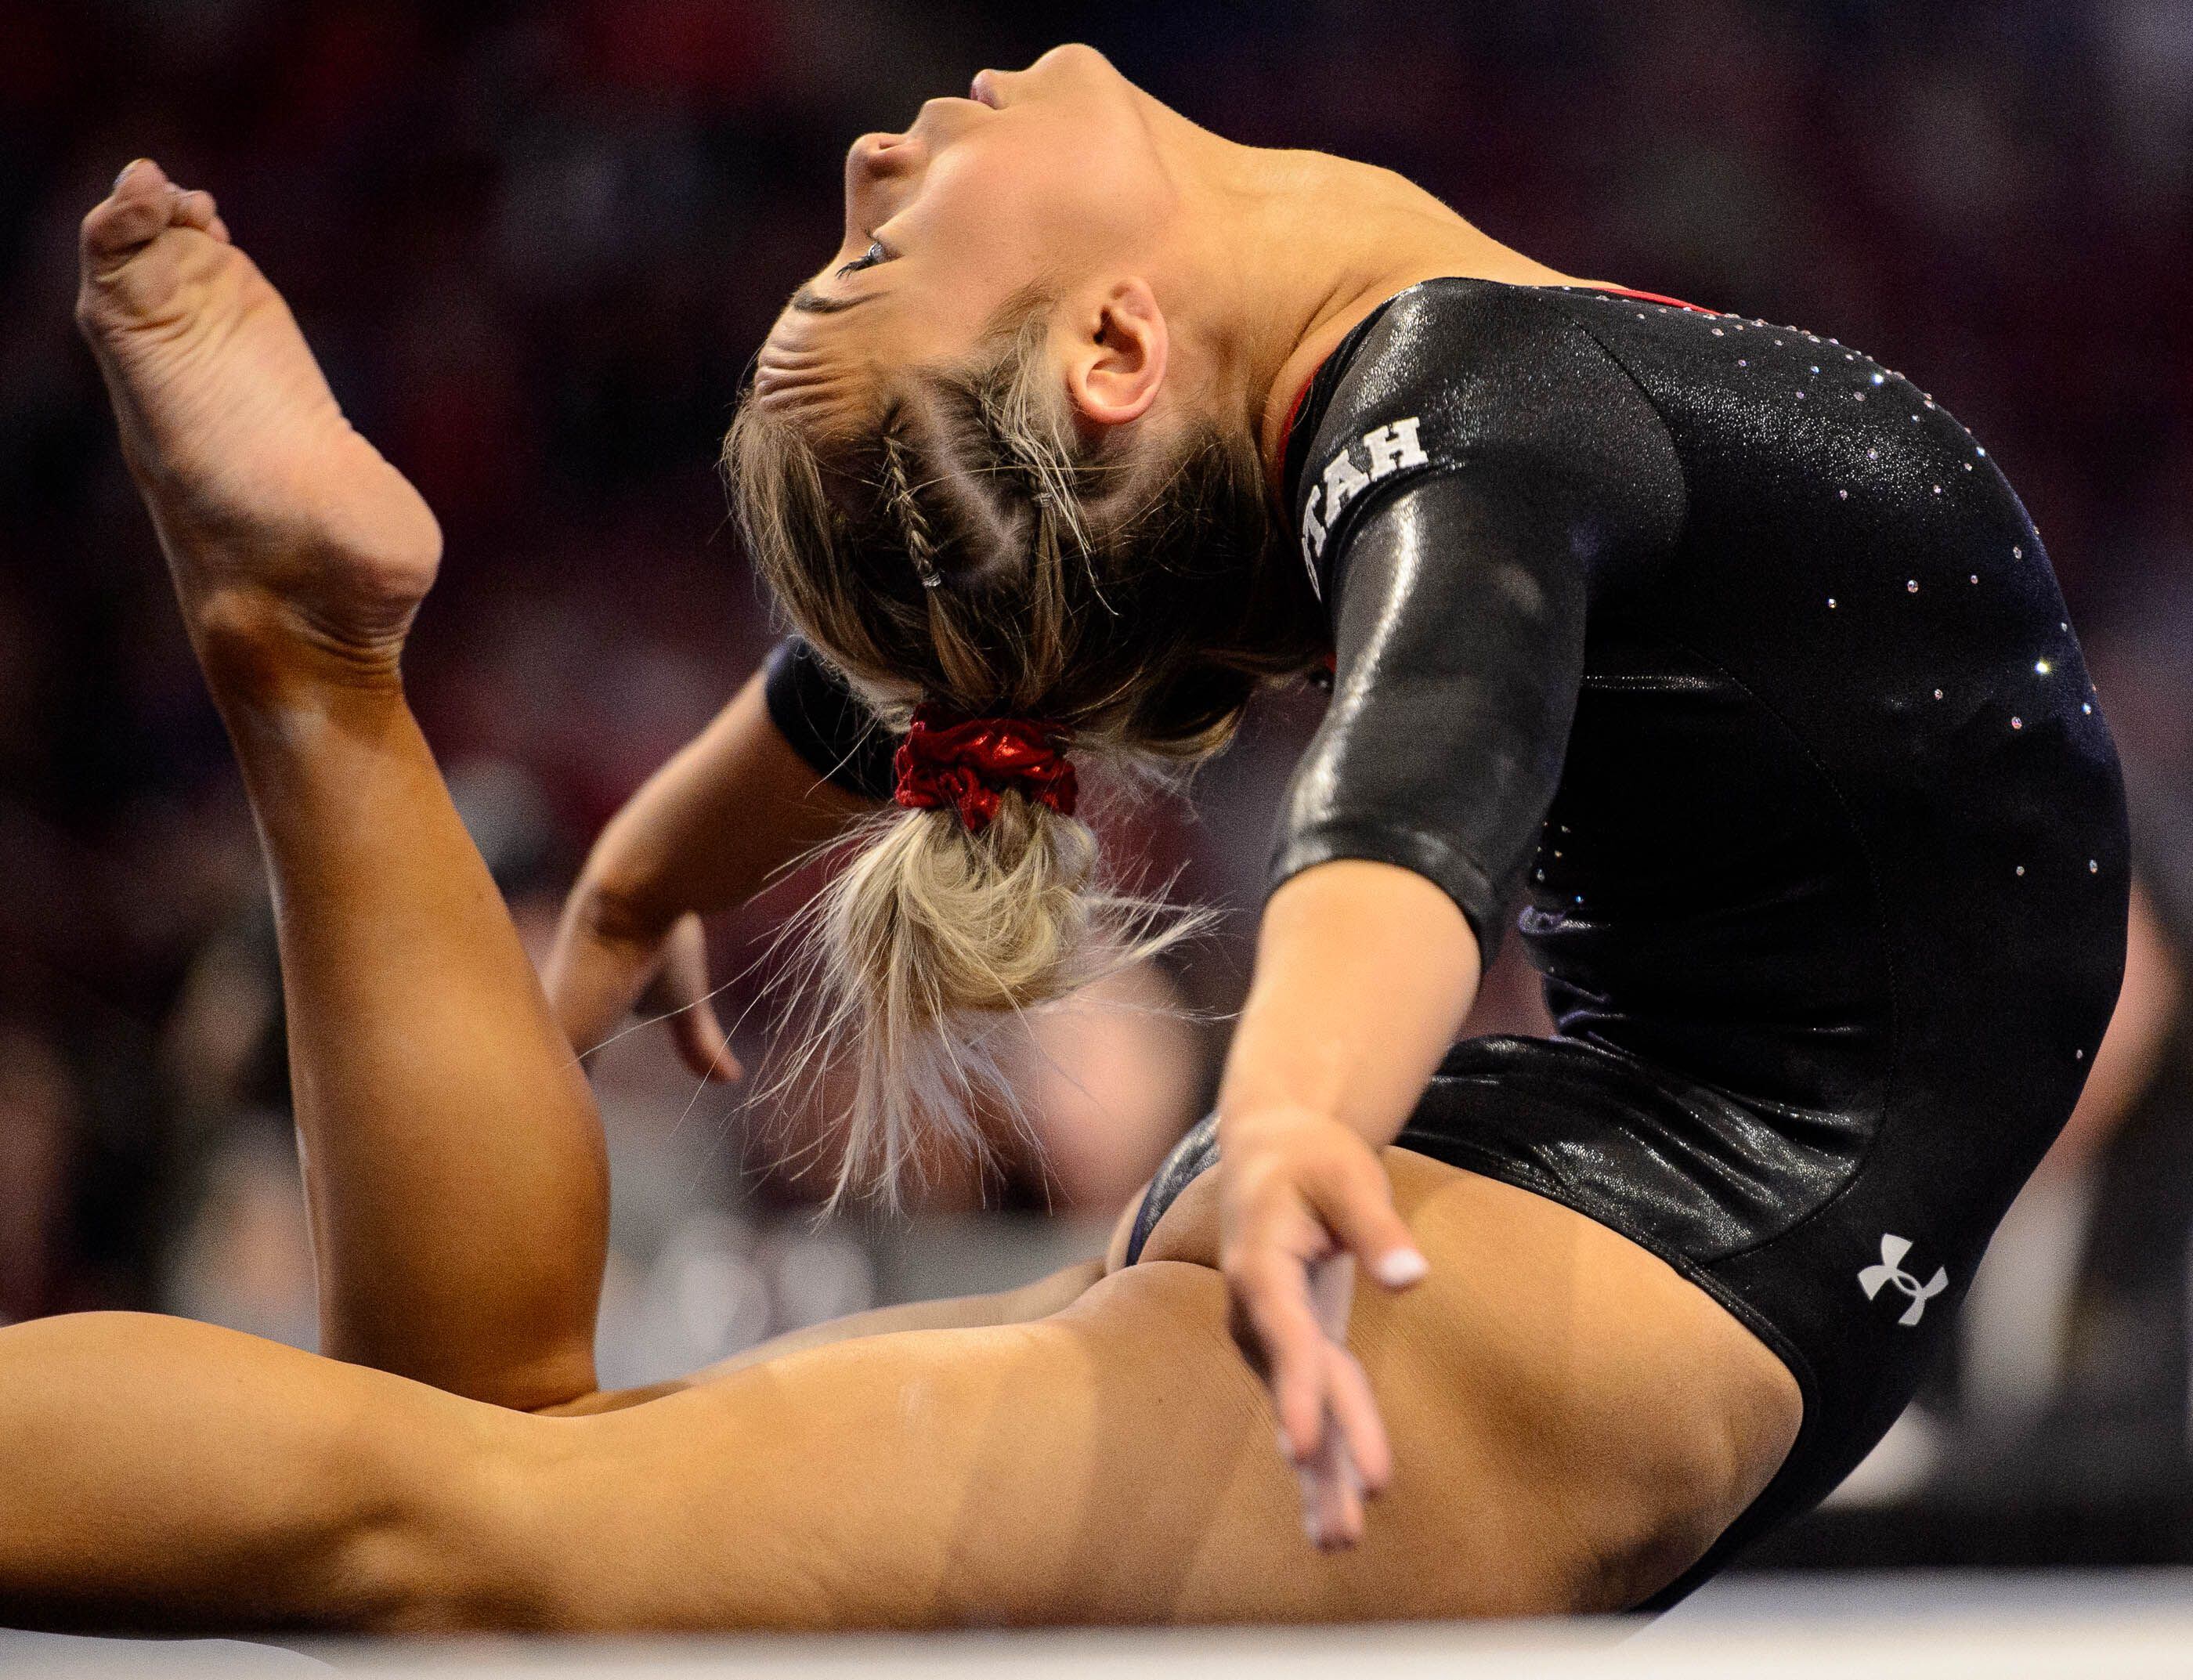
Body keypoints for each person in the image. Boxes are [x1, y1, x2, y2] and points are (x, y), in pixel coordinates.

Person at [9, 41, 2119, 1631]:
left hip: (1513, 1246)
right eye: (885, 245)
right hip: (1514, 1301)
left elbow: (1008, 646)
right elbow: (1421, 781)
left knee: (495, 1473)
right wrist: (1299, 1110)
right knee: (470, 1533)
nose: (865, 156)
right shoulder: (1481, 408)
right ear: (1113, 347)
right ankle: (301, 662)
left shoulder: (1381, 451)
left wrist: (663, 857)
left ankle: (309, 672)